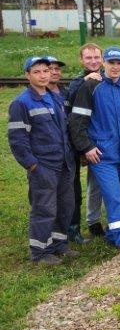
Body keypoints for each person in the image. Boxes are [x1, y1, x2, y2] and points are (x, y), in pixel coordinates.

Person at [68, 46, 120, 258]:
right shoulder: (91, 87)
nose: (115, 67)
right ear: (103, 64)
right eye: (111, 63)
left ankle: (114, 232)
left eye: (119, 63)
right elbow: (77, 122)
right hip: (101, 155)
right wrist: (86, 147)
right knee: (113, 196)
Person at [8, 56, 77, 265]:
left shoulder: (55, 98)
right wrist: (33, 165)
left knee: (65, 206)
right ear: (27, 75)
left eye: (46, 71)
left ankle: (59, 244)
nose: (43, 75)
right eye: (36, 72)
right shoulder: (21, 103)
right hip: (43, 166)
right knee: (44, 209)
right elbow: (18, 140)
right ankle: (39, 252)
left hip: (64, 163)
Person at [65, 43, 105, 241]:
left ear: (102, 59)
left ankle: (98, 220)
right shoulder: (76, 82)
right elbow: (71, 105)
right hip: (85, 139)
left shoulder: (108, 77)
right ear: (81, 60)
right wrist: (84, 81)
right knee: (89, 183)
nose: (93, 61)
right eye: (89, 58)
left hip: (106, 137)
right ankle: (92, 221)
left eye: (97, 57)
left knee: (98, 181)